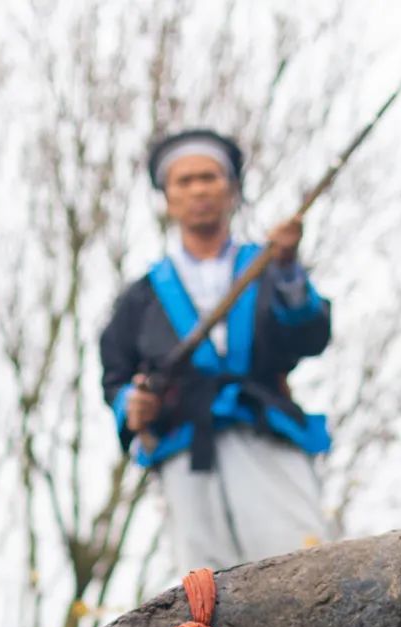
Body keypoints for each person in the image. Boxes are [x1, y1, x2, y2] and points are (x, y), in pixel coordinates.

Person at [99, 128, 332, 574]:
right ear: (168, 198)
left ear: (231, 191)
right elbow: (115, 374)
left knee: (302, 565)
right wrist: (133, 404)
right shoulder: (142, 297)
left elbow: (310, 334)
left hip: (265, 432)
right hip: (186, 451)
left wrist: (286, 268)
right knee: (206, 591)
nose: (198, 190)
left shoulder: (266, 268)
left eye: (209, 177)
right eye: (184, 182)